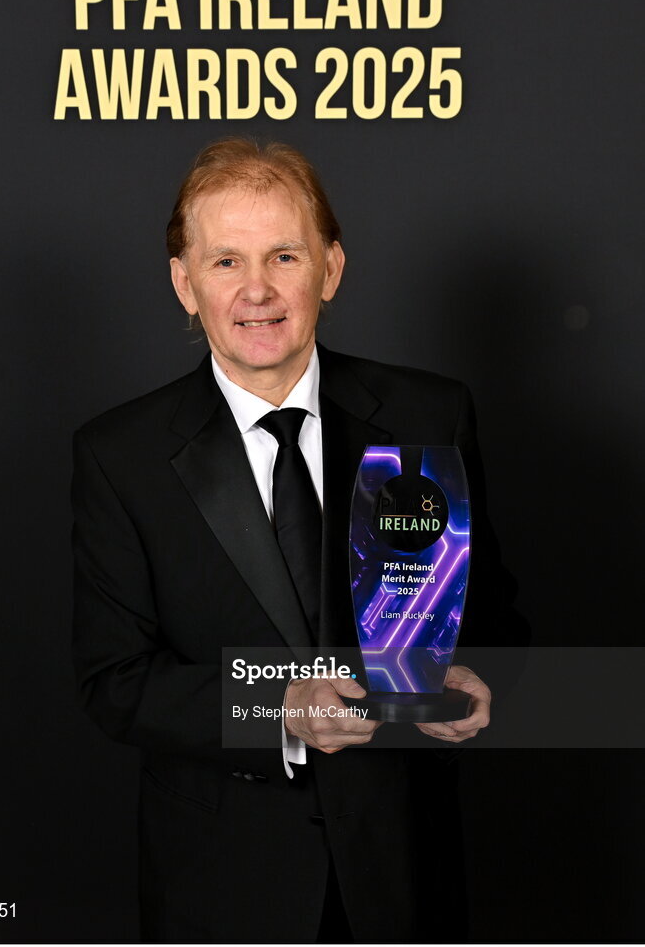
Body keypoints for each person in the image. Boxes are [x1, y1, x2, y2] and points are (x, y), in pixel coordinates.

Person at [71, 138, 518, 943]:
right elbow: (116, 681)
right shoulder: (119, 456)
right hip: (223, 888)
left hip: (404, 877)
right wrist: (277, 704)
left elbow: (493, 622)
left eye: (284, 255)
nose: (257, 291)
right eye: (224, 263)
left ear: (330, 269)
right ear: (183, 282)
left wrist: (481, 678)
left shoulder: (430, 415)